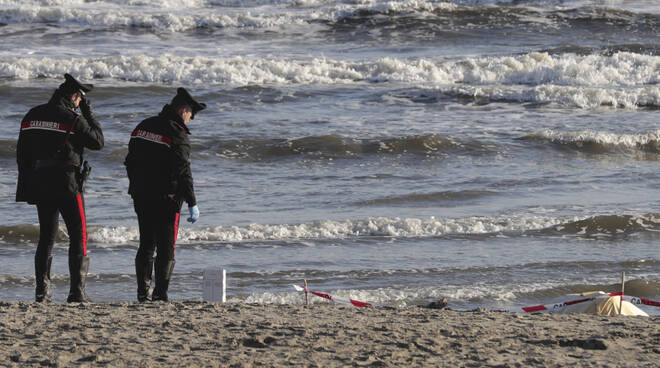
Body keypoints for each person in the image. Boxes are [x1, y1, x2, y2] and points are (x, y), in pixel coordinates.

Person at [16, 73, 104, 303]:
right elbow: (98, 141)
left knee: (46, 236)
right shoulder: (72, 118)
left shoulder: (31, 116)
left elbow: (22, 155)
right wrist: (88, 112)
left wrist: (27, 183)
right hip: (68, 183)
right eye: (80, 99)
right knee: (78, 234)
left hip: (40, 182)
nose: (80, 103)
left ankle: (41, 292)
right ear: (75, 96)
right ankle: (77, 292)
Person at [124, 87, 206, 302]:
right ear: (183, 111)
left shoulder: (143, 126)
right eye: (191, 115)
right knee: (166, 247)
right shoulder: (177, 133)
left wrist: (136, 185)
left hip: (141, 195)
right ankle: (161, 294)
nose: (190, 120)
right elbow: (183, 170)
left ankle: (143, 293)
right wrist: (192, 202)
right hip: (167, 198)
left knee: (146, 244)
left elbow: (129, 161)